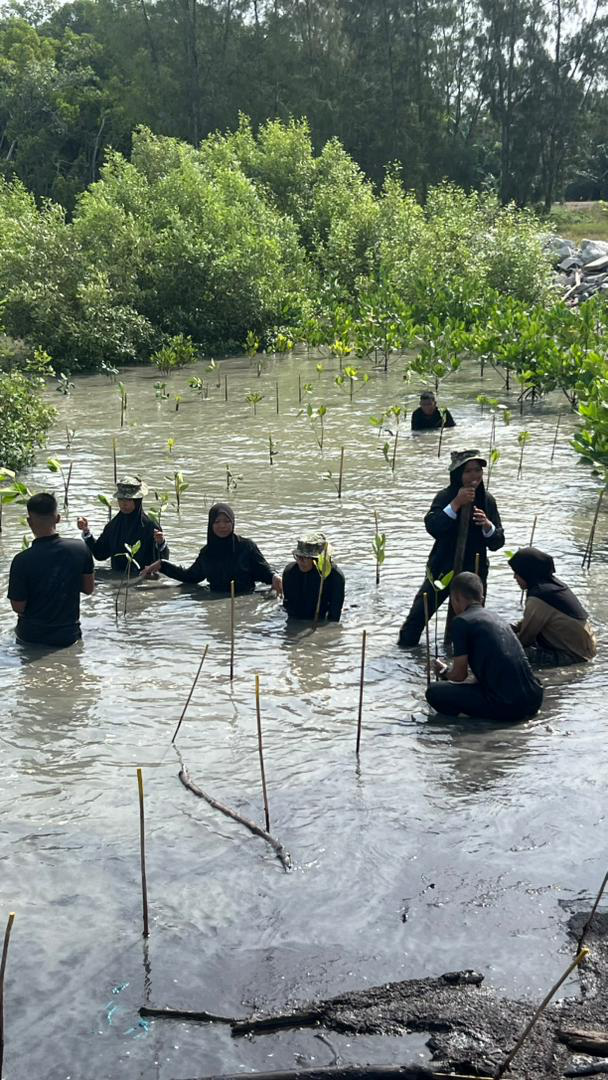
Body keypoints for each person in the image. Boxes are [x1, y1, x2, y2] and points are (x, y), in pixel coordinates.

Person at [398, 450, 504, 646]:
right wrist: (456, 504)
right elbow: (433, 526)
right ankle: (406, 657)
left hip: (475, 570)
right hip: (443, 567)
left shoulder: (487, 500)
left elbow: (498, 542)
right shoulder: (445, 496)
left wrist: (487, 526)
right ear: (457, 475)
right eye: (468, 471)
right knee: (417, 618)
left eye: (478, 471)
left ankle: (460, 659)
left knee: (472, 625)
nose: (474, 476)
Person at [427, 572, 543, 722]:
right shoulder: (495, 617)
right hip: (534, 699)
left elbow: (459, 675)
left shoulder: (461, 622)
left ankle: (466, 724)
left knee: (434, 692)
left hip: (509, 706)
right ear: (481, 598)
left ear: (456, 598)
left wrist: (443, 671)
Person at [7, 492, 95, 647]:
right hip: (67, 636)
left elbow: (18, 607)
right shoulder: (80, 549)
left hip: (30, 637)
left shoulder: (21, 560)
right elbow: (88, 589)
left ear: (29, 521)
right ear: (58, 518)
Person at [140, 502, 282, 595]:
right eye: (217, 522)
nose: (222, 526)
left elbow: (264, 571)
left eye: (227, 522)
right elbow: (190, 577)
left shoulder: (246, 546)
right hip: (215, 598)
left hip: (244, 598)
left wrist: (275, 577)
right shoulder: (207, 553)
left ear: (233, 523)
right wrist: (162, 565)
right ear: (210, 525)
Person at [508, 547, 596, 665]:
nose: (515, 577)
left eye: (517, 573)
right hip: (586, 648)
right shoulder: (554, 586)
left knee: (509, 652)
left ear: (526, 573)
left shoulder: (538, 597)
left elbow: (525, 639)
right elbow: (530, 622)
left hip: (573, 656)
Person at [77, 476, 168, 572]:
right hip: (118, 578)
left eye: (128, 500)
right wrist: (86, 531)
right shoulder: (113, 526)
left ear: (137, 501)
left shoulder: (150, 526)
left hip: (143, 580)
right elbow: (100, 554)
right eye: (120, 499)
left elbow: (163, 562)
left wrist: (161, 543)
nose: (124, 504)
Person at [282, 534, 345, 622]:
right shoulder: (290, 572)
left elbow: (334, 616)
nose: (300, 562)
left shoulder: (334, 576)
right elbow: (288, 604)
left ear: (316, 560)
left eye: (305, 558)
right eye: (298, 556)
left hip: (321, 616)